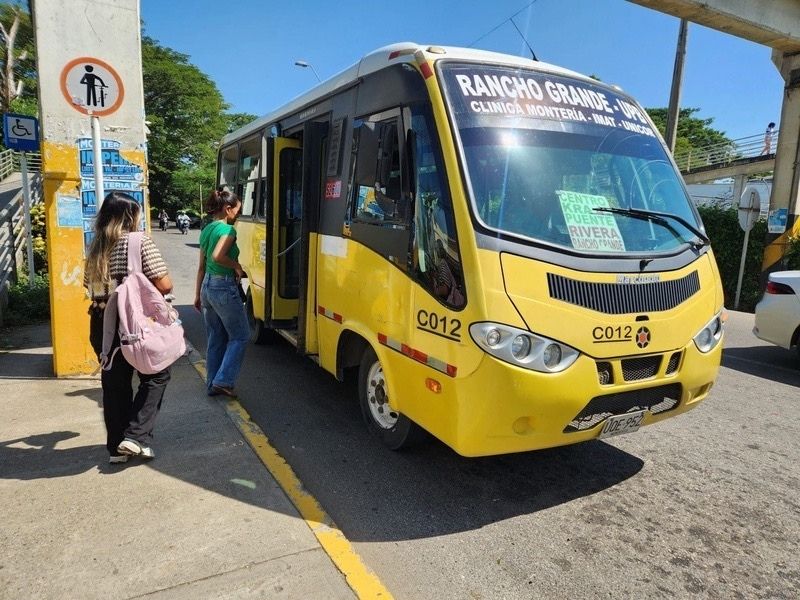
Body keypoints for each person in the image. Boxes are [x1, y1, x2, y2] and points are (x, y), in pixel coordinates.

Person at [84, 192, 173, 464]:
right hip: (134, 321)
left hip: (101, 321)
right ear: (129, 216)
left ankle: (116, 448)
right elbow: (165, 283)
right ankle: (135, 436)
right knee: (156, 374)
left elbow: (89, 287)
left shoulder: (96, 246)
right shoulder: (138, 241)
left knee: (115, 384)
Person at [194, 188, 248, 397]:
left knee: (216, 338)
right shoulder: (227, 231)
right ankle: (223, 381)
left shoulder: (207, 229)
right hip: (223, 287)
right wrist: (236, 266)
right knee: (240, 336)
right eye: (237, 211)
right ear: (227, 209)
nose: (238, 215)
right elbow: (218, 256)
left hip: (208, 286)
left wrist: (198, 294)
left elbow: (202, 265)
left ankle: (212, 383)